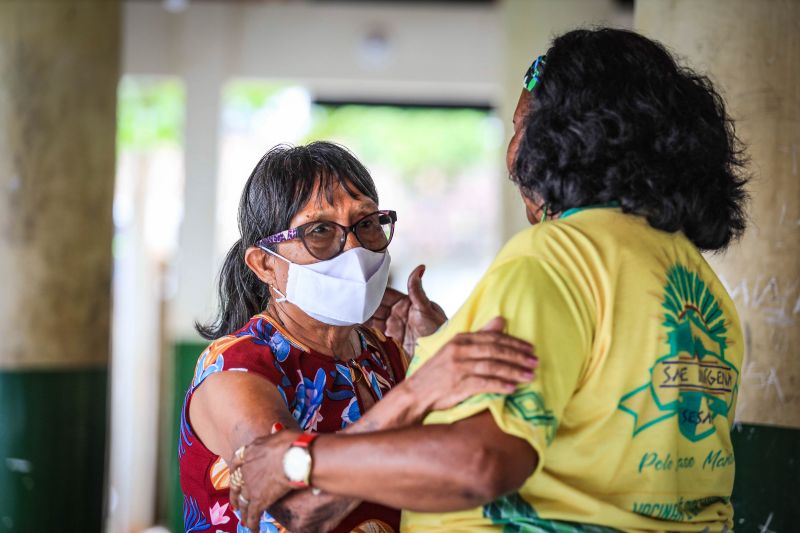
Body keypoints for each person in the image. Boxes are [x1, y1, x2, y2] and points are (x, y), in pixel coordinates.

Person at [230, 28, 749, 532]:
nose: (512, 155)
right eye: (321, 231)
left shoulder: (553, 258)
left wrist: (299, 459)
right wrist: (439, 351)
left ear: (566, 139)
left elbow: (481, 461)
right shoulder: (696, 280)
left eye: (522, 126)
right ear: (264, 263)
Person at [178, 141, 538, 533]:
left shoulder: (386, 353)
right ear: (264, 263)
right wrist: (418, 391)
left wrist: (433, 348)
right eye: (320, 231)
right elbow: (293, 510)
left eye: (366, 223)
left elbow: (456, 469)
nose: (353, 248)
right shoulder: (238, 371)